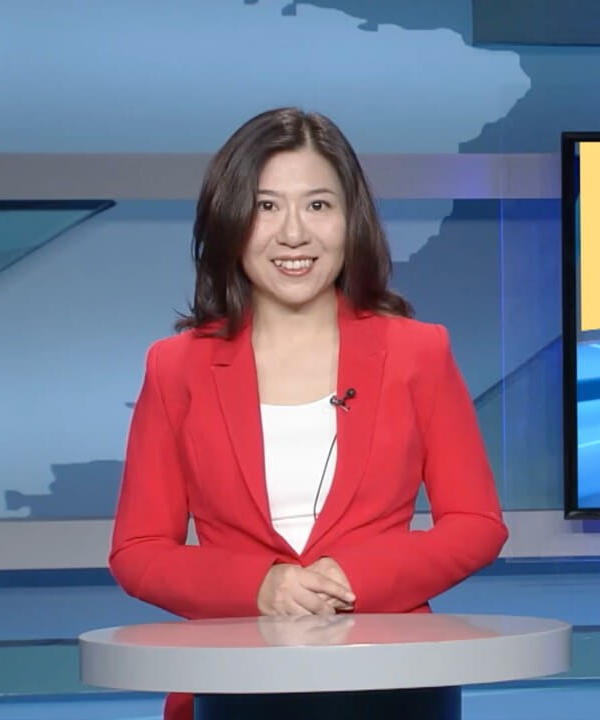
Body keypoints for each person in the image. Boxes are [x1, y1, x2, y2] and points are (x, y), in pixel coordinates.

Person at [109, 108, 508, 719]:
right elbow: (138, 550)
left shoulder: (418, 352)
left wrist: (350, 579)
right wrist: (260, 587)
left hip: (393, 675)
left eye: (318, 205)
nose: (293, 234)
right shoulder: (176, 367)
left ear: (351, 220)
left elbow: (476, 523)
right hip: (233, 681)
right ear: (230, 220)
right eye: (266, 207)